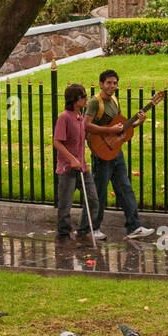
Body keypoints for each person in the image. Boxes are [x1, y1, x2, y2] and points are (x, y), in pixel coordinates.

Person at [84, 69, 155, 240]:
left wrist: (137, 123)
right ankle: (92, 229)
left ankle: (134, 227)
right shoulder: (95, 102)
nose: (112, 86)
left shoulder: (115, 100)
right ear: (101, 83)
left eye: (115, 83)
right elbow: (86, 126)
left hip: (115, 151)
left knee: (125, 188)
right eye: (109, 82)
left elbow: (120, 129)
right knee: (99, 192)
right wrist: (109, 129)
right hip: (101, 154)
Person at [54, 83, 100, 241]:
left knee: (93, 200)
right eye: (83, 96)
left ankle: (83, 231)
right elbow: (57, 142)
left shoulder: (80, 118)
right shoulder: (64, 117)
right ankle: (63, 235)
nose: (86, 99)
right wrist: (72, 159)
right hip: (68, 168)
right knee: (65, 205)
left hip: (82, 167)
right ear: (74, 100)